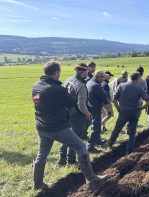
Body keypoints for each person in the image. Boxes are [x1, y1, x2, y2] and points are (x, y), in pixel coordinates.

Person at [32, 61, 106, 190]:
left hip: (41, 127)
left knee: (42, 155)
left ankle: (38, 184)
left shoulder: (36, 86)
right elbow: (72, 103)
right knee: (81, 146)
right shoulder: (57, 89)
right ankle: (91, 178)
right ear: (56, 72)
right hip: (57, 127)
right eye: (59, 72)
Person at [107, 72, 149, 154]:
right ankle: (129, 151)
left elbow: (113, 100)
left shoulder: (121, 86)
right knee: (132, 132)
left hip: (123, 111)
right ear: (137, 79)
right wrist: (141, 108)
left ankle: (110, 144)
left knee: (117, 128)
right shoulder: (139, 88)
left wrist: (118, 109)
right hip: (134, 112)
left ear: (130, 78)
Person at [58, 63, 91, 166]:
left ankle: (62, 157)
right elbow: (81, 104)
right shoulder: (81, 86)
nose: (88, 73)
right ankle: (71, 160)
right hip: (77, 114)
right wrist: (87, 114)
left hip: (67, 111)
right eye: (86, 71)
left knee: (67, 135)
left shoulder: (68, 80)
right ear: (81, 71)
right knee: (75, 138)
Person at [86, 70, 109, 153]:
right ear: (98, 77)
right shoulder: (96, 85)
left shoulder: (90, 82)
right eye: (103, 77)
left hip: (91, 106)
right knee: (96, 127)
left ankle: (98, 140)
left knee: (96, 125)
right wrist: (108, 109)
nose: (104, 78)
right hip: (95, 108)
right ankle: (90, 146)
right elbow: (104, 98)